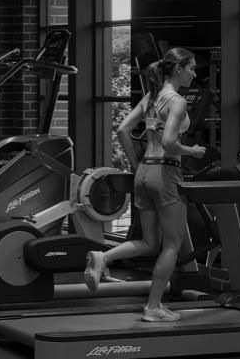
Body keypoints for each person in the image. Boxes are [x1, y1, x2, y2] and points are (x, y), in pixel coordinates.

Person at [82, 48, 205, 322]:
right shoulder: (177, 101)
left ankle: (103, 258)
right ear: (177, 69)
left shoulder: (151, 97)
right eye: (192, 68)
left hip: (144, 173)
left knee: (149, 242)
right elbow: (171, 142)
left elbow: (123, 130)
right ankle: (152, 307)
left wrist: (136, 163)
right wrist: (193, 151)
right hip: (167, 173)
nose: (194, 74)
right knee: (172, 245)